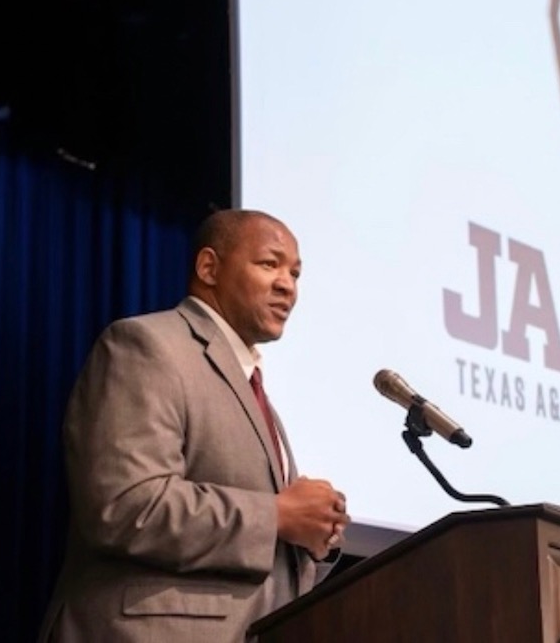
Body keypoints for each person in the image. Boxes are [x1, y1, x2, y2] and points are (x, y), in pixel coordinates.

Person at [39, 209, 351, 642]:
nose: (288, 285)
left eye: (296, 273)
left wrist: (315, 536)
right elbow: (126, 507)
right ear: (209, 268)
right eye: (269, 264)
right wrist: (276, 515)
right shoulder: (147, 346)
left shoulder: (257, 394)